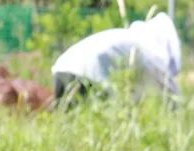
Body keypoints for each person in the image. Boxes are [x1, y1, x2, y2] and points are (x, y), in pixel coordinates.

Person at [51, 11, 182, 106]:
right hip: (86, 74)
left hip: (63, 66)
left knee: (66, 121)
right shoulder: (150, 52)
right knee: (100, 121)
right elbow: (168, 90)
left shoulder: (128, 39)